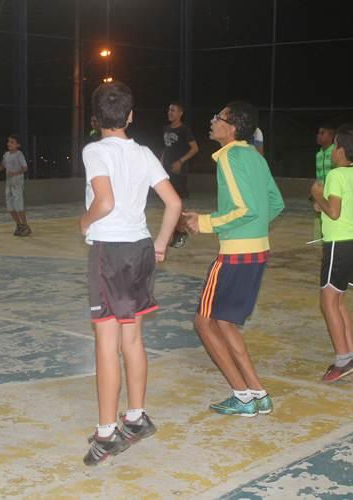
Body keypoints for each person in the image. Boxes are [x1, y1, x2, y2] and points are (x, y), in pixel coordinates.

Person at [80, 81, 182, 466]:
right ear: (130, 116)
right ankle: (135, 418)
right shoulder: (142, 153)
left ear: (96, 119)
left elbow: (104, 202)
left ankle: (107, 433)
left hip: (110, 250)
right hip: (139, 247)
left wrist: (84, 221)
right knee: (132, 339)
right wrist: (160, 244)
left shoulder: (95, 150)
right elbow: (173, 202)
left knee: (106, 342)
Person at [183, 101, 284, 416]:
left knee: (203, 322)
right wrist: (252, 230)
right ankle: (257, 394)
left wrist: (203, 222)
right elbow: (275, 203)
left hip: (235, 254)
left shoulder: (228, 156)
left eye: (218, 117)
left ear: (232, 126)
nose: (212, 121)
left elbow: (245, 209)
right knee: (224, 322)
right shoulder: (254, 156)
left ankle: (242, 396)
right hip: (257, 251)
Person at [310, 125, 353, 383]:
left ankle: (342, 359)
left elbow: (333, 212)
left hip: (338, 244)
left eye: (335, 145)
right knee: (339, 300)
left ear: (342, 151)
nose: (332, 150)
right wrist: (324, 205)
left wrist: (317, 195)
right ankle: (351, 353)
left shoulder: (335, 175)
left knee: (328, 301)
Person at [161, 101, 199, 248]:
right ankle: (177, 232)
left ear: (180, 113)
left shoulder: (184, 130)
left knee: (178, 204)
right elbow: (165, 149)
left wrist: (180, 162)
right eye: (169, 110)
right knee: (170, 204)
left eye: (173, 110)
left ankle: (181, 233)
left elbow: (195, 148)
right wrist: (160, 164)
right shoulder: (165, 128)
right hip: (167, 171)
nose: (170, 113)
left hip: (179, 172)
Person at [0, 134, 31, 236]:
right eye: (9, 141)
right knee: (10, 207)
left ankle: (25, 226)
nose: (9, 144)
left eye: (12, 142)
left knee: (19, 206)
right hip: (9, 184)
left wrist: (15, 173)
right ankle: (19, 225)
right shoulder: (6, 155)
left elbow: (25, 168)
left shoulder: (19, 154)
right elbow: (3, 165)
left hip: (17, 184)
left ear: (18, 145)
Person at [313, 124, 336, 240]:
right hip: (321, 194)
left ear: (331, 136)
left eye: (322, 133)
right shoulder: (318, 154)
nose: (319, 136)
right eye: (318, 133)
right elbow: (318, 176)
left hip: (333, 194)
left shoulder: (335, 153)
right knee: (322, 224)